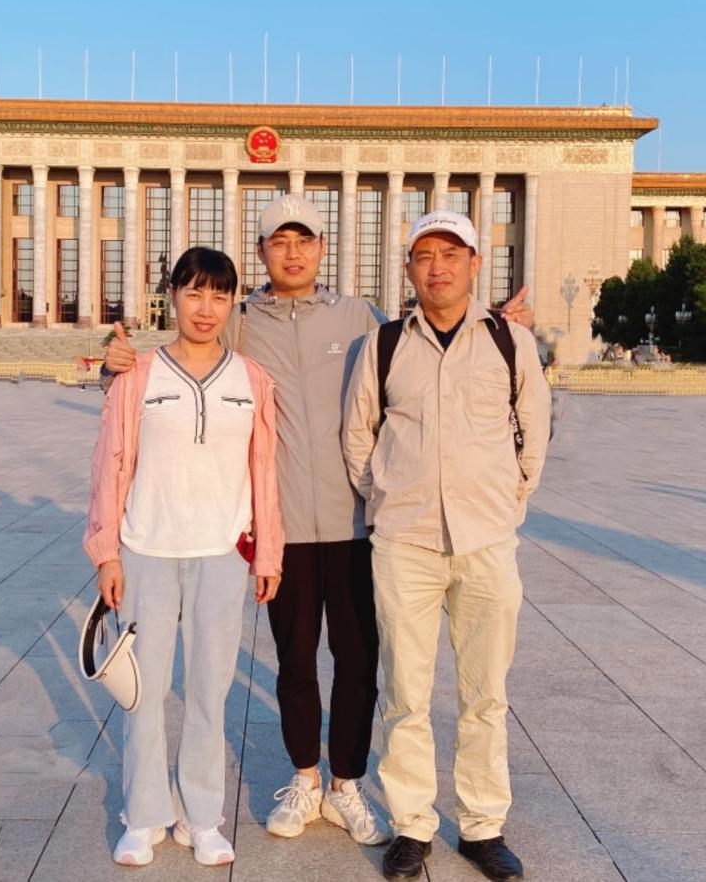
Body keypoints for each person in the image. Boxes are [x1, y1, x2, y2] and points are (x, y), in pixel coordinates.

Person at [103, 196, 535, 850]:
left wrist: (499, 323)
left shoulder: (359, 317)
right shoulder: (240, 321)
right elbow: (182, 364)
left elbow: (427, 353)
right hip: (284, 529)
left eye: (304, 241)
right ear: (261, 253)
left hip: (357, 524)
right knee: (295, 662)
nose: (293, 253)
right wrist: (117, 365)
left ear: (322, 248)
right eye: (279, 242)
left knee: (359, 662)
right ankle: (305, 778)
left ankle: (346, 783)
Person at [342, 210, 551, 882]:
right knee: (405, 691)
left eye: (451, 254)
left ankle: (483, 827)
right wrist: (385, 498)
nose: (437, 267)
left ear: (473, 264)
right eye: (424, 255)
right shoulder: (382, 345)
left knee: (485, 693)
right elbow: (358, 434)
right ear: (408, 268)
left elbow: (534, 428)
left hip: (485, 541)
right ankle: (412, 825)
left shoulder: (510, 342)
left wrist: (507, 499)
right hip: (405, 542)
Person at [83, 246, 284, 868]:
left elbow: (264, 472)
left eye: (219, 295)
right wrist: (107, 553)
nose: (205, 308)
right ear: (170, 296)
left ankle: (201, 816)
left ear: (233, 302)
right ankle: (144, 815)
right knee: (142, 692)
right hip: (147, 548)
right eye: (193, 292)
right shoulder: (139, 376)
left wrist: (268, 553)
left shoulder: (252, 380)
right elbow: (110, 465)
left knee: (208, 691)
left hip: (221, 551)